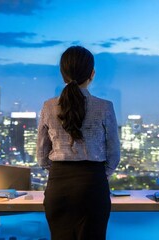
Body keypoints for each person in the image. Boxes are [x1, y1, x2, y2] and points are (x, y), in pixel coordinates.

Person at [37, 46, 120, 240]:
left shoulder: (49, 107)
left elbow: (42, 156)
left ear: (62, 73)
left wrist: (61, 172)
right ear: (92, 74)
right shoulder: (105, 107)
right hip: (93, 186)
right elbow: (114, 154)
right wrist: (97, 174)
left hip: (59, 186)